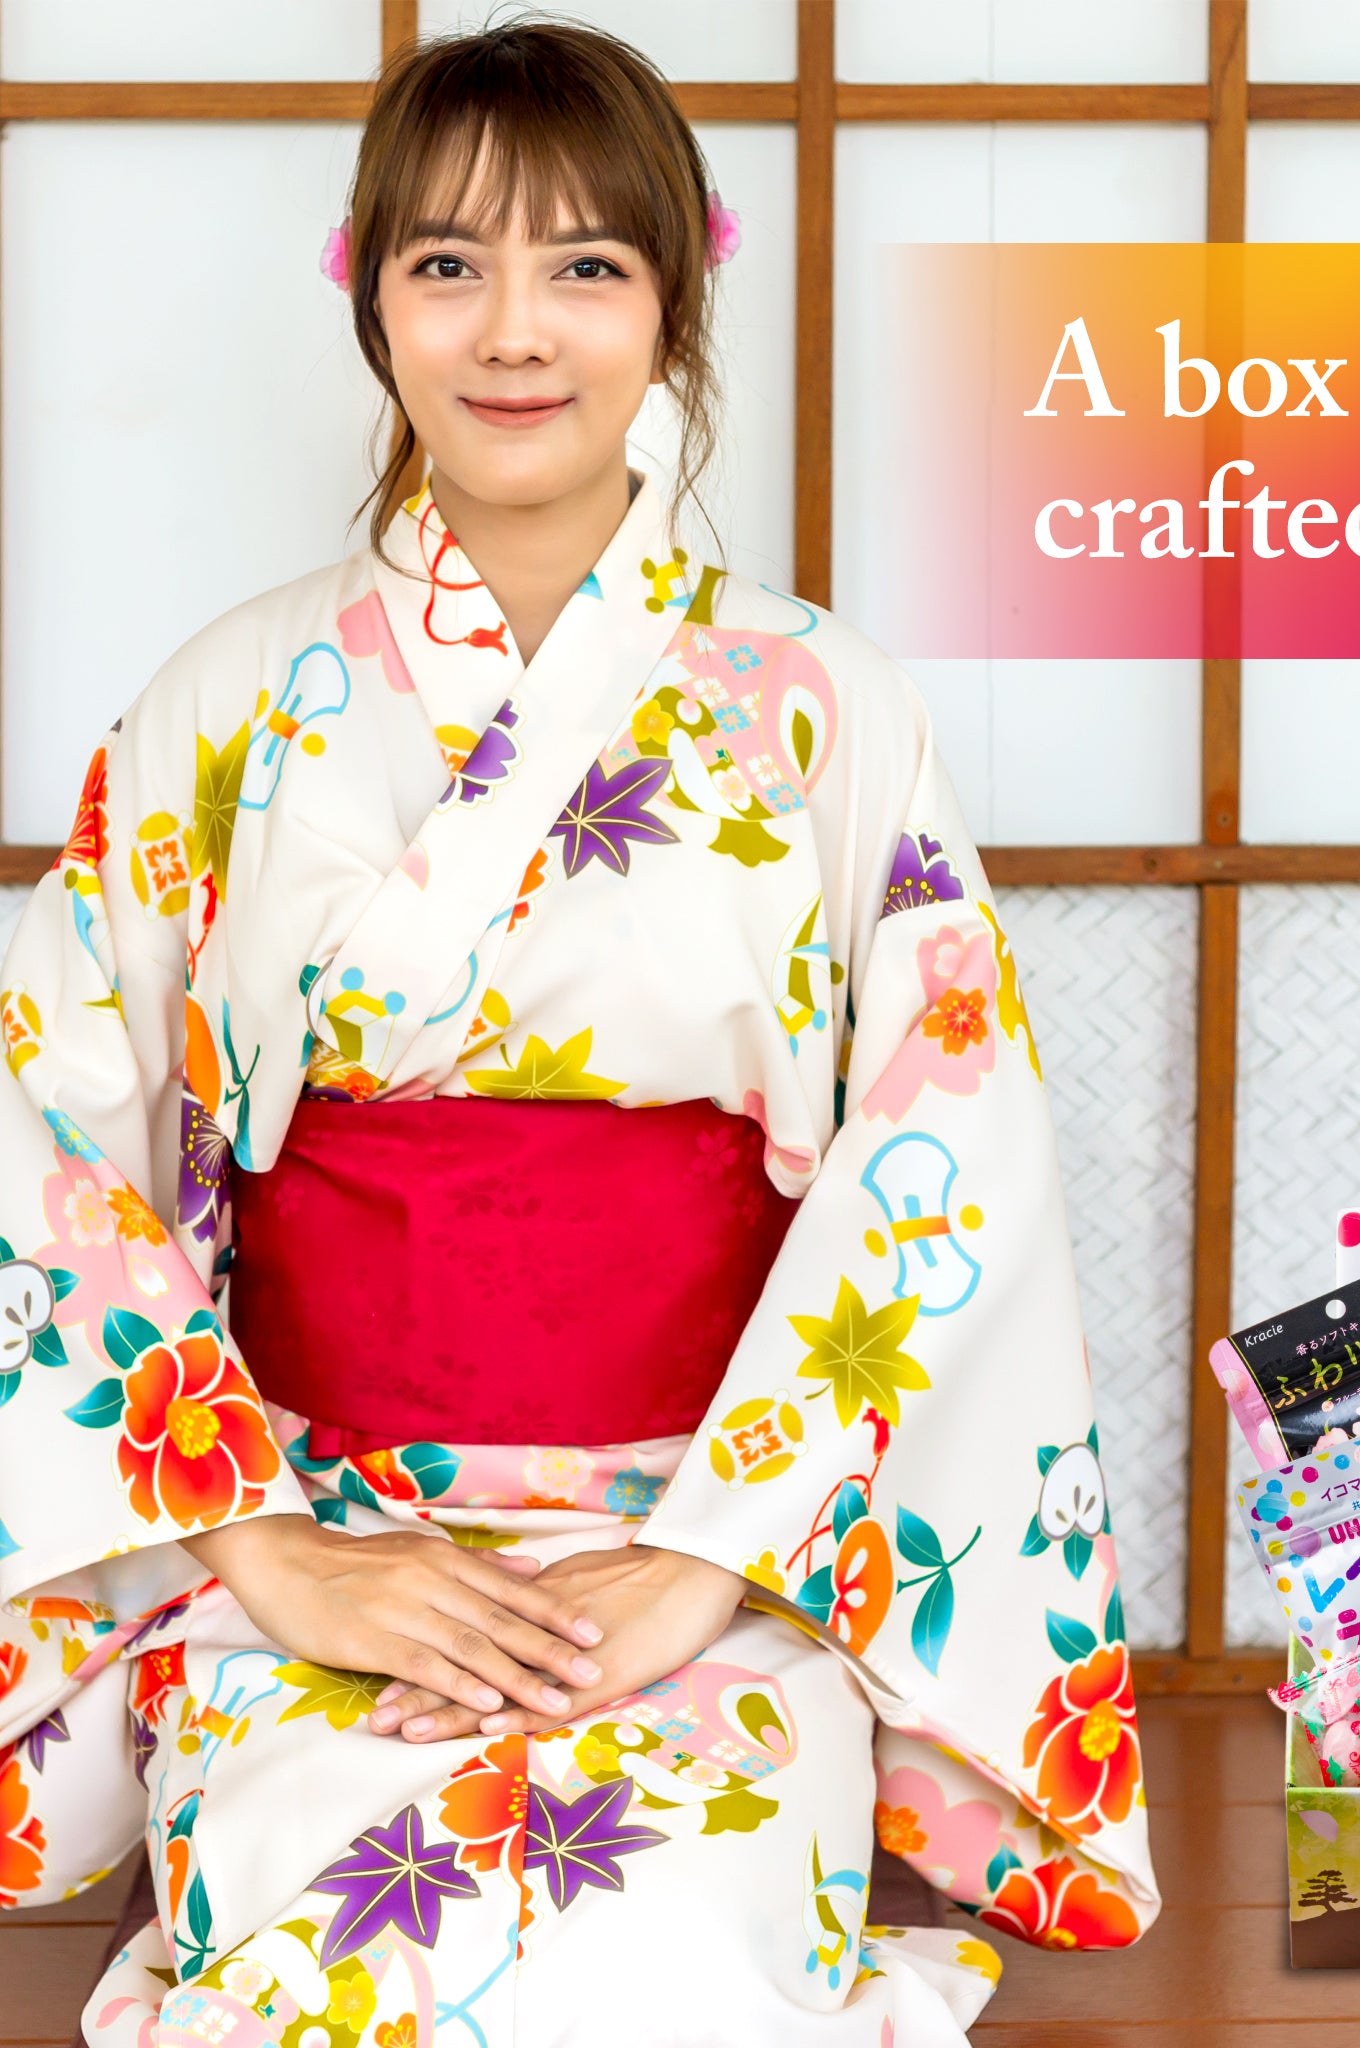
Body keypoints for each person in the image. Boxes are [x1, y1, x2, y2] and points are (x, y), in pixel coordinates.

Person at [0, 22, 1155, 2045]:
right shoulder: (218, 704)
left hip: (704, 1534)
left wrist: (711, 1558)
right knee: (332, 1947)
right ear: (368, 293)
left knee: (666, 1947)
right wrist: (279, 1553)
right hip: (320, 1532)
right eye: (448, 263)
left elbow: (943, 1154)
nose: (514, 330)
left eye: (585, 266)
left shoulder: (822, 706)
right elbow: (54, 1145)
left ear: (676, 295)